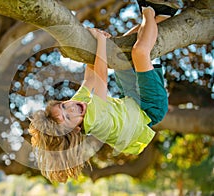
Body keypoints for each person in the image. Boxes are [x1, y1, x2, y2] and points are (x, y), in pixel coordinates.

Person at [29, 6, 170, 183]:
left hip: (133, 100)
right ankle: (149, 10)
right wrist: (100, 41)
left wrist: (95, 48)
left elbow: (90, 79)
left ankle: (163, 17)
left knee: (119, 48)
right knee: (139, 52)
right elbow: (101, 76)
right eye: (67, 117)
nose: (71, 108)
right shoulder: (95, 120)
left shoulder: (77, 106)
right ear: (77, 129)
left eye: (64, 105)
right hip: (151, 108)